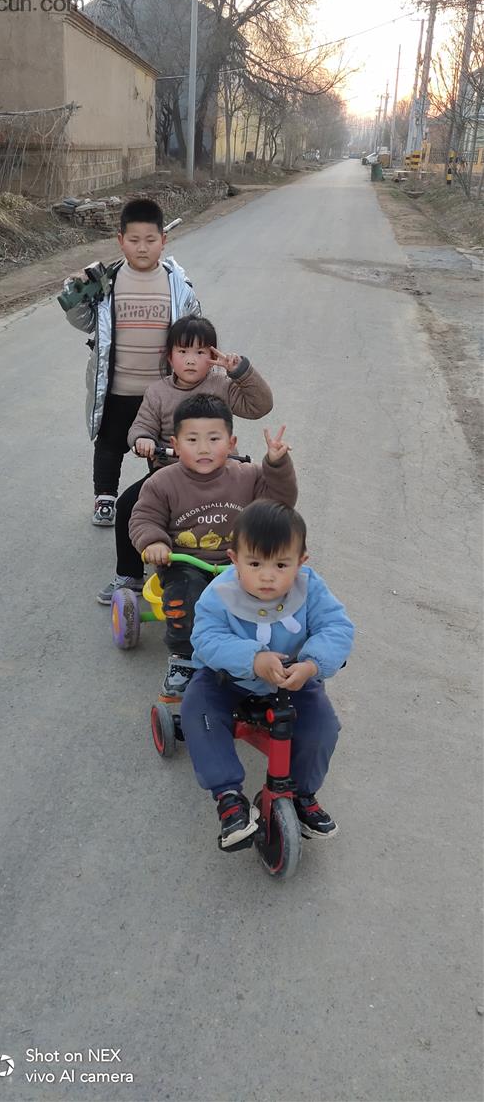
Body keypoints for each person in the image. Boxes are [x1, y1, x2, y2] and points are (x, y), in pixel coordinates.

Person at [180, 500, 354, 849]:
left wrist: (312, 665)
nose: (267, 576)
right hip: (227, 679)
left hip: (293, 678)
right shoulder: (220, 594)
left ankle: (302, 795)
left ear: (301, 562)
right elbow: (206, 638)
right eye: (255, 563)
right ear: (234, 559)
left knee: (322, 726)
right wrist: (253, 659)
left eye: (281, 564)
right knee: (198, 713)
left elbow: (336, 627)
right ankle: (228, 797)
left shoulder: (310, 588)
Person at [128, 394, 297, 698]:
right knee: (186, 599)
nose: (203, 448)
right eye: (192, 440)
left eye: (214, 439)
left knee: (273, 591)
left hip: (240, 562)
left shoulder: (248, 476)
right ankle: (183, 658)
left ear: (231, 443)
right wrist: (153, 541)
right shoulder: (162, 482)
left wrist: (276, 464)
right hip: (186, 562)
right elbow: (144, 517)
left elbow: (280, 503)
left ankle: (265, 650)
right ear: (175, 444)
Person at [96, 314, 273, 603]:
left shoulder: (222, 386)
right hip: (170, 473)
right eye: (183, 351)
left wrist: (240, 372)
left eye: (200, 352)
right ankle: (129, 574)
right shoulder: (158, 392)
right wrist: (142, 439)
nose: (191, 360)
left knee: (257, 506)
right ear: (170, 356)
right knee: (129, 504)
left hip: (219, 470)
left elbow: (260, 406)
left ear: (213, 357)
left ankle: (253, 562)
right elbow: (141, 426)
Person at [63, 198, 200, 526]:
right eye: (134, 240)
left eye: (150, 240)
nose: (142, 248)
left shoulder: (177, 285)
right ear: (120, 240)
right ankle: (105, 497)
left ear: (163, 241)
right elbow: (84, 320)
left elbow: (193, 327)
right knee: (109, 445)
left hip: (162, 392)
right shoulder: (106, 284)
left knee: (163, 450)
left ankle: (163, 502)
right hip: (117, 389)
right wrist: (76, 291)